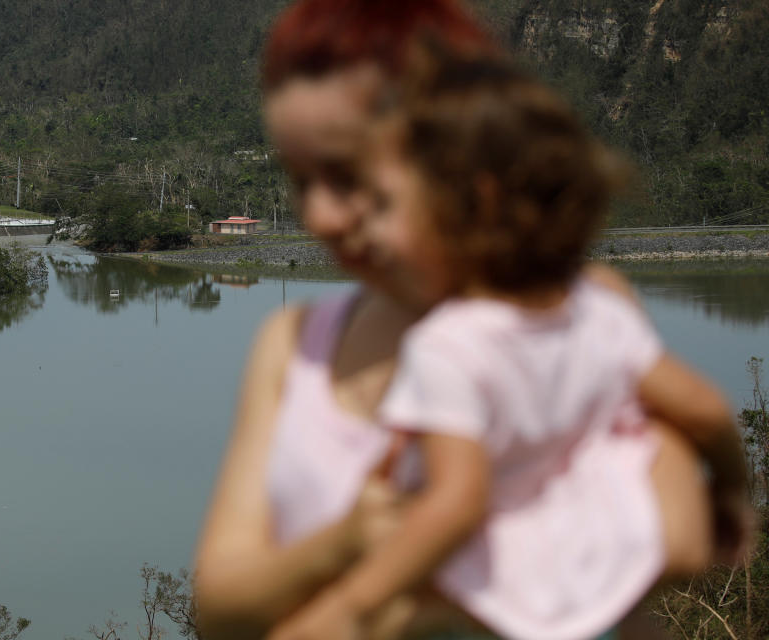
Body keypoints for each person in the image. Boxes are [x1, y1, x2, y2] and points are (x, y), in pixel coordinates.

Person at [194, 1, 719, 638]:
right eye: (300, 182)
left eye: (347, 175)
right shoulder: (297, 345)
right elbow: (219, 607)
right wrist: (346, 542)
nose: (322, 217)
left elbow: (679, 538)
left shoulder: (579, 316)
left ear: (452, 156)